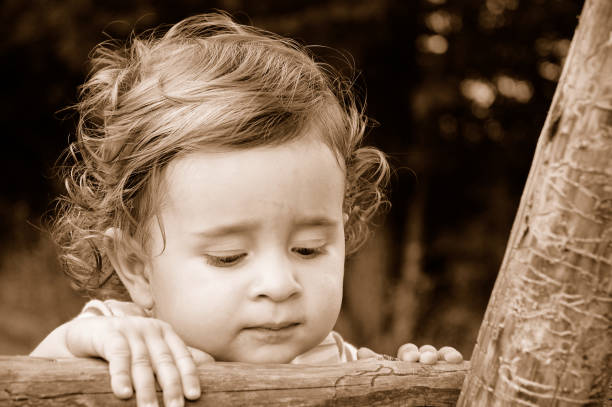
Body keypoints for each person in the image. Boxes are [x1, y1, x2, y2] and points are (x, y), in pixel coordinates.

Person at [30, 12, 462, 407]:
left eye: (309, 249)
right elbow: (32, 384)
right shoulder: (126, 338)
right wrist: (85, 340)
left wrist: (415, 380)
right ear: (138, 268)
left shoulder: (340, 365)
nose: (279, 286)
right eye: (229, 257)